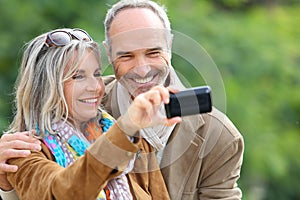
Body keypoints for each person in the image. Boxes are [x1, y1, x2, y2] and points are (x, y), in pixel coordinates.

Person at [1, 0, 244, 199]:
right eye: (126, 55)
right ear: (109, 53)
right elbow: (57, 189)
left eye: (153, 52)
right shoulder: (93, 113)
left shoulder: (220, 136)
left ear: (169, 45)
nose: (141, 69)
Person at [0, 27, 181, 200]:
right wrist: (126, 128)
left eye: (96, 74)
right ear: (47, 86)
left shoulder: (132, 142)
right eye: (78, 76)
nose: (95, 87)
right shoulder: (23, 151)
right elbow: (64, 193)